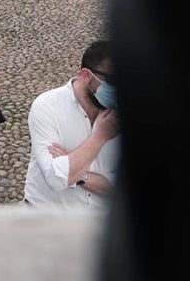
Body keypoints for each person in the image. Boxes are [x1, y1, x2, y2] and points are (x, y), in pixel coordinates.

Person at [23, 40, 120, 207]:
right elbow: (55, 178)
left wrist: (78, 174)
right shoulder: (47, 106)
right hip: (46, 219)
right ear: (86, 76)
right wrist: (100, 136)